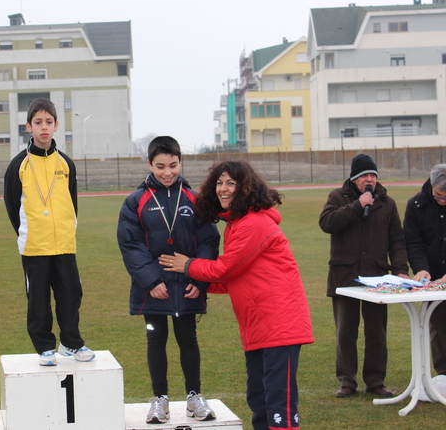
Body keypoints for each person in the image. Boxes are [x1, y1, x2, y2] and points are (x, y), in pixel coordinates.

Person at [159, 161, 313, 430]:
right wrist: (200, 284)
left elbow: (227, 268)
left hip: (279, 325)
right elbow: (235, 277)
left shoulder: (254, 223)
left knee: (279, 405)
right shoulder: (236, 224)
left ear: (245, 188)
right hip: (259, 326)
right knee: (259, 399)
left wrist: (188, 266)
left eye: (230, 183)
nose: (223, 189)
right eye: (219, 183)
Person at [117, 136, 220, 424]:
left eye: (173, 165)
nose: (167, 172)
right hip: (154, 289)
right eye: (160, 166)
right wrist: (151, 281)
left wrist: (199, 279)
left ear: (180, 163)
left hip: (187, 285)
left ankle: (194, 397)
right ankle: (160, 399)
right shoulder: (135, 201)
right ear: (149, 164)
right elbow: (130, 244)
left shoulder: (194, 199)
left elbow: (209, 241)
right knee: (155, 339)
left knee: (188, 338)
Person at [3, 98, 93, 366]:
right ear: (28, 126)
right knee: (38, 300)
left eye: (49, 122)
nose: (44, 127)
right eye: (38, 122)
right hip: (35, 245)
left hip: (64, 243)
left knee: (71, 294)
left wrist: (68, 229)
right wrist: (28, 233)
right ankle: (44, 346)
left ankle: (70, 342)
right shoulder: (18, 164)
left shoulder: (66, 164)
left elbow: (72, 203)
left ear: (56, 126)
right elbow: (11, 205)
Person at [319, 153, 407, 399]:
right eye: (365, 176)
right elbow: (326, 223)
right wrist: (357, 207)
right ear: (354, 179)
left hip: (377, 277)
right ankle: (347, 381)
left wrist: (400, 269)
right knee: (346, 331)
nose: (370, 180)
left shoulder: (387, 203)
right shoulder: (338, 197)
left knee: (376, 332)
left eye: (373, 175)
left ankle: (376, 381)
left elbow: (397, 240)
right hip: (344, 276)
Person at [405, 163, 446, 376]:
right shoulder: (415, 205)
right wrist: (421, 269)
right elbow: (414, 242)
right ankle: (443, 378)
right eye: (440, 195)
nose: (443, 201)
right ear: (431, 186)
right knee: (439, 327)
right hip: (433, 280)